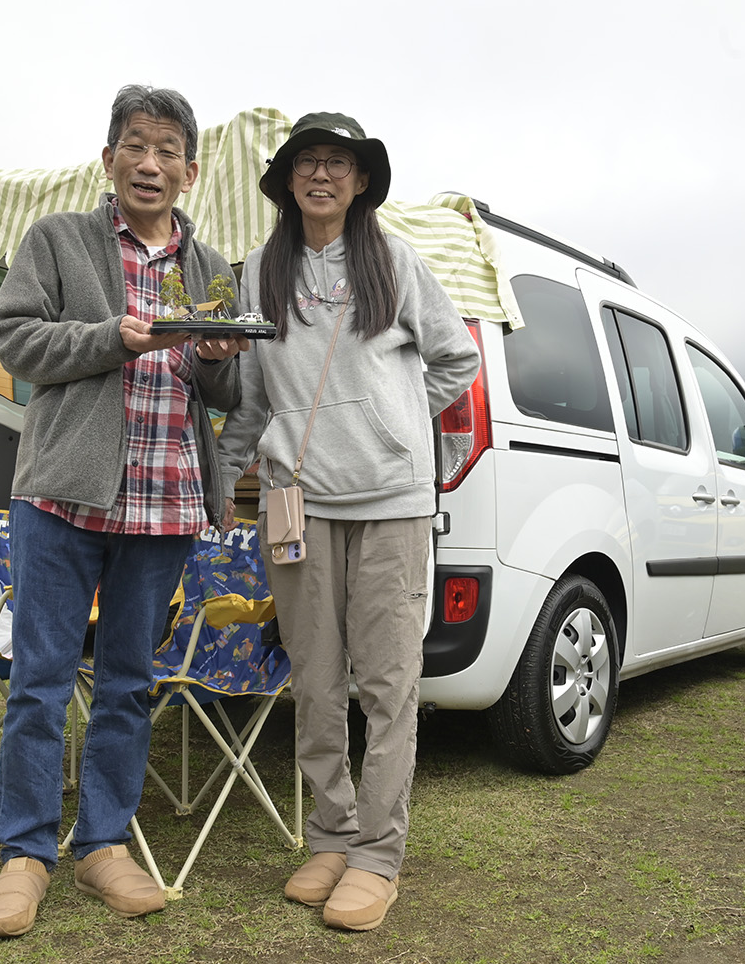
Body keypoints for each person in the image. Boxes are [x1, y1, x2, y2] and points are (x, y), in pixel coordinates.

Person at [0, 84, 248, 938]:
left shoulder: (211, 271)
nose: (151, 164)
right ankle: (24, 854)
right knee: (39, 683)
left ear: (190, 172)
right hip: (62, 496)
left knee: (130, 683)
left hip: (166, 503)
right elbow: (15, 341)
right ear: (109, 159)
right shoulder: (56, 239)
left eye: (168, 152)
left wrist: (210, 357)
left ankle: (102, 844)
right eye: (137, 146)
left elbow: (229, 389)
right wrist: (110, 337)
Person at [216, 113, 481, 931]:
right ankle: (331, 834)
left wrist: (399, 426)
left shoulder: (394, 259)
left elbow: (456, 358)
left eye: (337, 163)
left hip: (393, 505)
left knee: (387, 683)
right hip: (299, 501)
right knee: (316, 680)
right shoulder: (259, 270)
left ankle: (378, 854)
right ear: (287, 180)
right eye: (306, 163)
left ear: (361, 180)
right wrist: (228, 475)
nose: (321, 175)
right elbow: (254, 394)